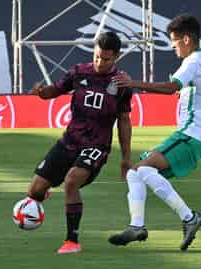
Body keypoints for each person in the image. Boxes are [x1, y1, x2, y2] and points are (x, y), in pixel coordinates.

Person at [108, 13, 201, 251]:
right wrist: (195, 92)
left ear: (187, 39)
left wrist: (132, 84)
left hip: (190, 135)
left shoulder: (192, 62)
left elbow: (171, 88)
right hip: (192, 136)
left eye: (175, 42)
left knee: (143, 169)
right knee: (134, 173)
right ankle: (136, 226)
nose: (173, 47)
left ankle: (190, 217)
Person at [28, 32, 133, 254]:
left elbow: (124, 120)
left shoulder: (122, 83)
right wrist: (41, 93)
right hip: (70, 140)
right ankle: (45, 191)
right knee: (34, 191)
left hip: (97, 145)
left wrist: (125, 158)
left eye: (105, 59)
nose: (99, 62)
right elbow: (55, 89)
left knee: (71, 181)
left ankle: (72, 241)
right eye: (97, 56)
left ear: (116, 57)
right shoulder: (78, 72)